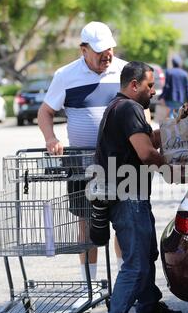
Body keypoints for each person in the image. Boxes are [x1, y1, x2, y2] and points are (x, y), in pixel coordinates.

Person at [94, 61, 188, 313]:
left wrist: (178, 124)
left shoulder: (122, 107)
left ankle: (149, 308)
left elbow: (148, 139)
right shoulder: (128, 108)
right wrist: (173, 166)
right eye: (149, 85)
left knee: (146, 253)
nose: (154, 91)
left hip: (130, 193)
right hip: (128, 196)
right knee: (136, 262)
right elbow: (146, 152)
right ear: (134, 85)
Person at [38, 21, 126, 292]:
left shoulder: (124, 70)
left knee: (123, 223)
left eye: (109, 49)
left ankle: (126, 286)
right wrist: (51, 139)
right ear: (83, 50)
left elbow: (140, 110)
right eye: (99, 51)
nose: (106, 55)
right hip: (82, 165)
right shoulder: (65, 75)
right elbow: (45, 112)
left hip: (120, 161)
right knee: (87, 224)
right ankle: (88, 286)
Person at [159, 54, 188, 118]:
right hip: (180, 99)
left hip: (170, 98)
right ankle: (178, 127)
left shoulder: (169, 72)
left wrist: (162, 96)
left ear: (172, 63)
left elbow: (166, 86)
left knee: (171, 114)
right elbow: (187, 88)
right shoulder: (185, 74)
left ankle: (172, 127)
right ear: (180, 63)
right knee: (179, 114)